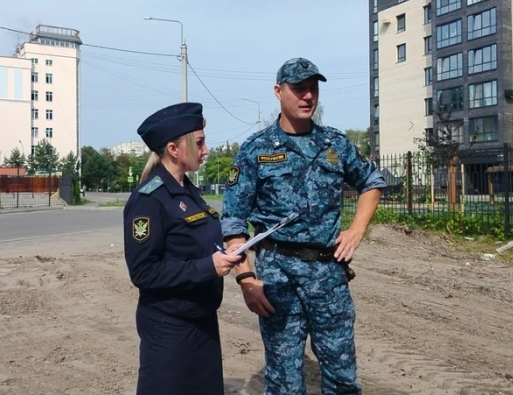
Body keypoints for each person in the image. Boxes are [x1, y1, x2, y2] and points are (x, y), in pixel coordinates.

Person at [221, 58, 387, 394]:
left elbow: (372, 181)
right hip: (278, 278)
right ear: (278, 92)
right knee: (284, 382)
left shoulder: (335, 145)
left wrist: (356, 230)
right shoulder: (256, 150)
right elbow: (233, 222)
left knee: (343, 378)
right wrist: (245, 278)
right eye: (299, 88)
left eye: (313, 88)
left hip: (329, 276)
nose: (307, 96)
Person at [123, 101, 243, 395]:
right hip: (169, 329)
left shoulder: (190, 193)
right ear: (174, 149)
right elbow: (143, 272)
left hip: (202, 322)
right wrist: (208, 267)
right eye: (199, 143)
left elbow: (199, 243)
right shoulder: (149, 199)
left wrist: (227, 253)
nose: (206, 149)